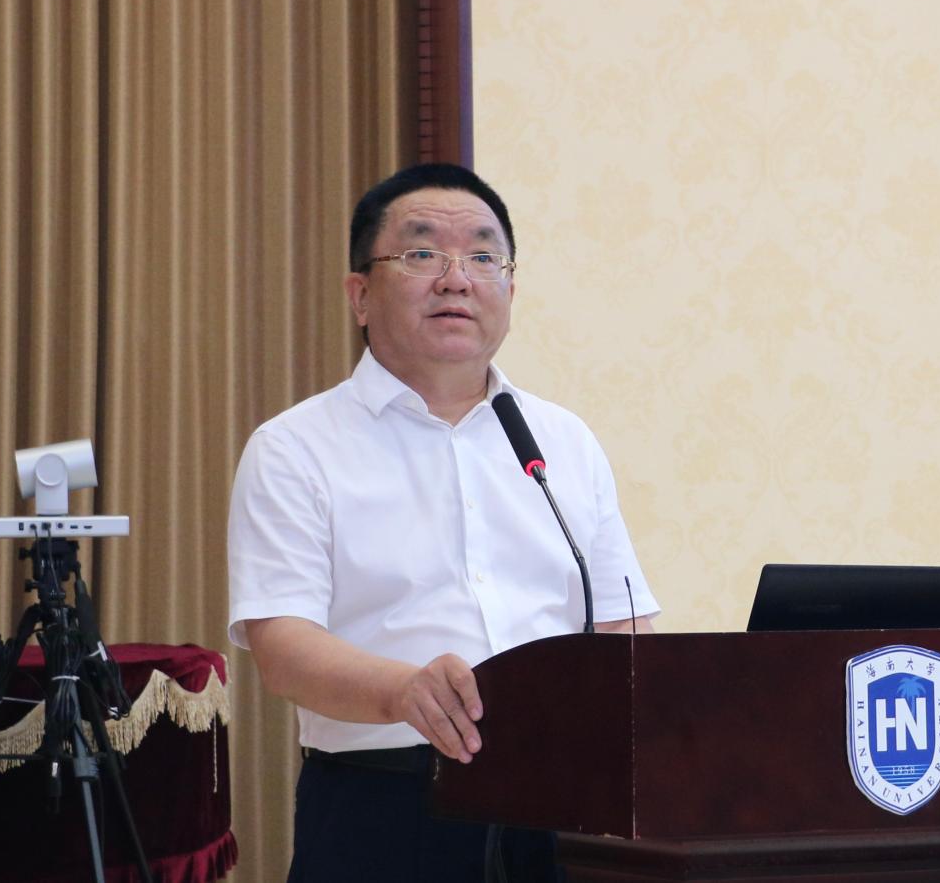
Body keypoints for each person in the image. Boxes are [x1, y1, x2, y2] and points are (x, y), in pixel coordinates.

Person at [227, 164, 659, 882]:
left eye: (484, 257)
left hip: (559, 806)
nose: (457, 279)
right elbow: (284, 648)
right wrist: (404, 691)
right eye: (422, 253)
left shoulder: (562, 440)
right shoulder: (295, 447)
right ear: (360, 295)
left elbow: (622, 624)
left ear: (510, 292)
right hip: (385, 808)